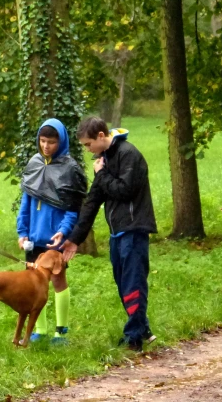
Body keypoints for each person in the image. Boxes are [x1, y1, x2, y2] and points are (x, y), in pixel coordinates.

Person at [60, 117, 157, 352]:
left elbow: (124, 191)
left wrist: (101, 174)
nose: (87, 150)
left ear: (101, 136)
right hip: (117, 233)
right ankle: (142, 329)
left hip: (134, 229)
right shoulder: (104, 159)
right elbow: (93, 201)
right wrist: (74, 239)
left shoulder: (128, 154)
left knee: (133, 283)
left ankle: (133, 337)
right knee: (122, 283)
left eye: (88, 144)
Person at [17, 118, 87, 344]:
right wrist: (22, 231)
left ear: (62, 141)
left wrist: (64, 231)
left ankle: (61, 331)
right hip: (33, 237)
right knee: (34, 284)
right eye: (43, 141)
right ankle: (41, 330)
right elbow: (25, 202)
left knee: (58, 281)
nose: (46, 146)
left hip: (55, 237)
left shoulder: (70, 168)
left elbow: (73, 209)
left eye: (52, 142)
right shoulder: (34, 163)